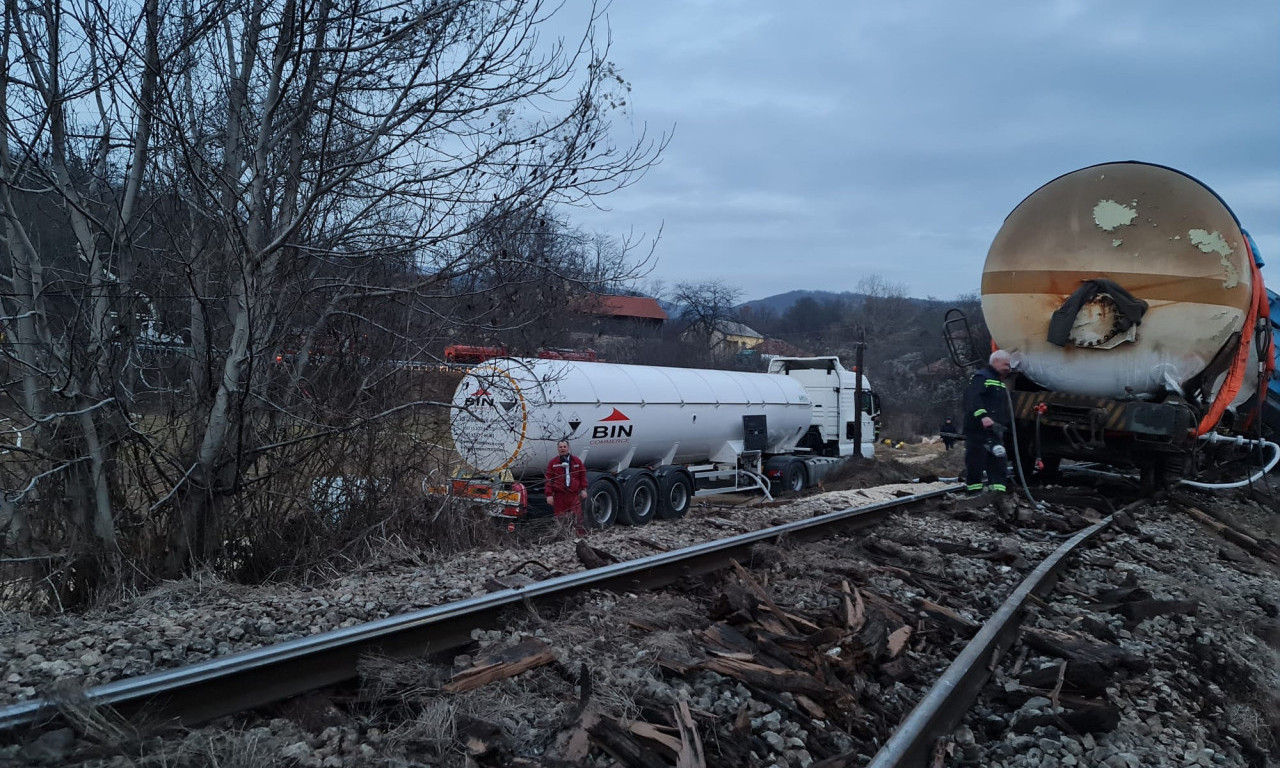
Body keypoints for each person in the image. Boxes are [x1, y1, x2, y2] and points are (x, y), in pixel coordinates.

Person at [962, 350, 1013, 494]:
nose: (1008, 368)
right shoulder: (981, 377)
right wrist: (983, 416)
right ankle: (974, 490)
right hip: (978, 428)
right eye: (1006, 364)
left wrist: (1003, 423)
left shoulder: (998, 381)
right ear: (996, 362)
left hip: (994, 429)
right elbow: (973, 399)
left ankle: (997, 491)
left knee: (998, 460)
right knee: (976, 459)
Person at [545, 440, 588, 534]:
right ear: (557, 449)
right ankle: (563, 536)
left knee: (577, 516)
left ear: (568, 448)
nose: (562, 449)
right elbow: (549, 479)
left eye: (564, 447)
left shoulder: (576, 461)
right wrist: (549, 495)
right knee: (560, 517)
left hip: (573, 495)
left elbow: (582, 475)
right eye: (560, 447)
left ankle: (579, 536)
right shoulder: (553, 463)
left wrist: (584, 489)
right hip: (560, 496)